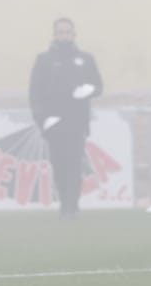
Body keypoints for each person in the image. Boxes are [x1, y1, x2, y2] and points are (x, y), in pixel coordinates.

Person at [28, 17, 103, 218]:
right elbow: (35, 92)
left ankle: (72, 206)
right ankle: (64, 203)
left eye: (68, 32)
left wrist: (88, 90)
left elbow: (98, 86)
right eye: (60, 32)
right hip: (54, 123)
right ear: (54, 35)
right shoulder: (44, 60)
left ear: (74, 35)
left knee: (74, 164)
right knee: (59, 165)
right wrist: (41, 119)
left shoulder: (85, 59)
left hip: (77, 122)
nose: (64, 36)